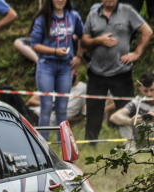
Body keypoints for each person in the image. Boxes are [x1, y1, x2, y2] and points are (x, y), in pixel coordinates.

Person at [82, 0, 152, 142]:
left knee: (127, 109)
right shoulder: (93, 14)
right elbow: (84, 41)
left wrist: (136, 53)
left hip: (121, 72)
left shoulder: (127, 11)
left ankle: (131, 144)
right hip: (96, 73)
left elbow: (147, 31)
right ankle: (90, 144)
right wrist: (99, 40)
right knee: (93, 112)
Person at [29, 0, 84, 140]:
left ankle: (63, 145)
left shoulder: (73, 16)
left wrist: (78, 56)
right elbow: (34, 44)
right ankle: (43, 145)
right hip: (46, 65)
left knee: (62, 108)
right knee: (46, 107)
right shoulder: (42, 18)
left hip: (66, 67)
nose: (60, 1)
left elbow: (83, 36)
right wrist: (54, 51)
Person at [109, 72, 154, 147]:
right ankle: (130, 152)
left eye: (152, 90)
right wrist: (131, 121)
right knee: (123, 121)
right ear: (140, 89)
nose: (149, 94)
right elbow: (113, 117)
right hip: (141, 137)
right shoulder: (137, 101)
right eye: (146, 91)